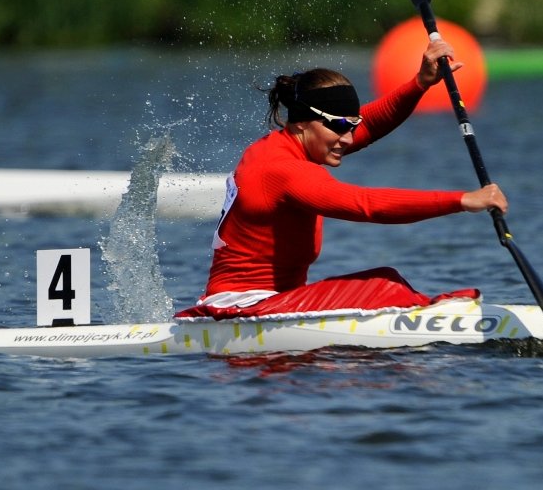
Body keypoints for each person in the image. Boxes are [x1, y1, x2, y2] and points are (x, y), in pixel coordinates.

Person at [175, 38, 505, 319]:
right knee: (383, 287)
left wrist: (419, 83)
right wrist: (463, 200)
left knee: (386, 279)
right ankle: (442, 317)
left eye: (351, 126)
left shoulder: (291, 146)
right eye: (339, 126)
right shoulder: (281, 170)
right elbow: (367, 205)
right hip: (240, 309)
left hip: (273, 304)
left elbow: (371, 125)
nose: (347, 139)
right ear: (304, 122)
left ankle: (428, 313)